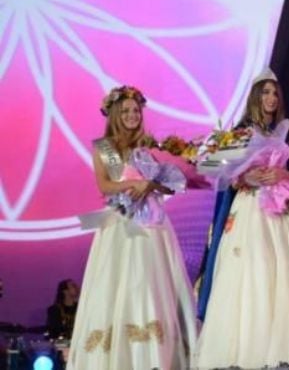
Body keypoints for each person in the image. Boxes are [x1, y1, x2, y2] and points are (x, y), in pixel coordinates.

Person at [194, 68, 289, 369]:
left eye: (275, 92)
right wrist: (245, 175)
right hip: (250, 211)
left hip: (282, 212)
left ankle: (285, 344)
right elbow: (222, 176)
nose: (271, 98)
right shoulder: (239, 133)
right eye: (265, 92)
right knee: (249, 268)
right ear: (256, 97)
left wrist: (282, 173)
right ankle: (244, 346)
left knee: (283, 269)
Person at [68, 86, 197, 370]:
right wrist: (133, 184)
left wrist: (152, 184)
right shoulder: (106, 147)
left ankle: (156, 355)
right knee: (119, 286)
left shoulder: (149, 146)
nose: (131, 115)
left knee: (150, 285)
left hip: (153, 226)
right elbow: (105, 185)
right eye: (125, 111)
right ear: (115, 114)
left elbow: (168, 183)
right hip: (121, 226)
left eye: (136, 111)